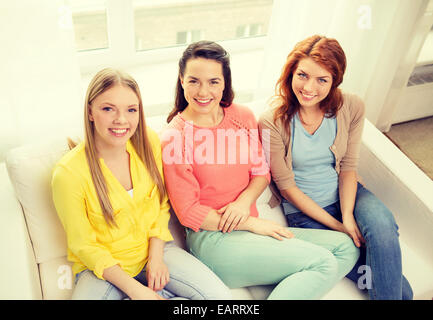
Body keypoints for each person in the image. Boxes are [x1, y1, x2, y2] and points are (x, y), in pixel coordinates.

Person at [161, 40, 359, 300]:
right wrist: (252, 223)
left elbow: (261, 172)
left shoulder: (243, 117)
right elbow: (188, 213)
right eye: (194, 81)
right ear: (181, 80)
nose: (203, 91)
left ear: (225, 82)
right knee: (322, 262)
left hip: (252, 231)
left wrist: (244, 204)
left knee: (346, 247)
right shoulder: (173, 137)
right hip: (215, 242)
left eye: (213, 81)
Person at [51, 68, 231, 300]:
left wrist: (155, 259)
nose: (121, 120)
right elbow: (83, 245)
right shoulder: (67, 174)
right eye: (108, 109)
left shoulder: (148, 141)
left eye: (131, 110)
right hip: (101, 269)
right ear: (90, 112)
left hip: (155, 251)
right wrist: (137, 291)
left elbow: (160, 205)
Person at [258, 35, 413, 300]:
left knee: (383, 226)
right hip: (305, 213)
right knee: (403, 292)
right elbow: (286, 188)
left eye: (322, 80)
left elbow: (348, 167)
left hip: (351, 195)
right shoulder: (271, 121)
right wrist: (338, 225)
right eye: (303, 75)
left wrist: (349, 216)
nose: (309, 87)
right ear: (290, 73)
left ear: (335, 81)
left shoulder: (351, 106)